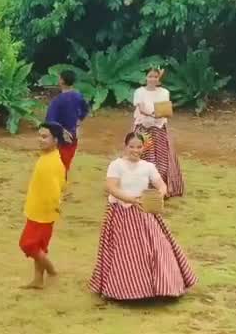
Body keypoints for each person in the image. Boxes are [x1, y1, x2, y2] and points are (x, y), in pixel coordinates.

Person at [89, 132, 196, 300]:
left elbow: (162, 186)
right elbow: (111, 187)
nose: (135, 150)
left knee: (157, 248)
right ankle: (125, 289)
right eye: (131, 146)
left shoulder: (148, 166)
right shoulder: (116, 165)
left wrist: (158, 195)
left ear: (143, 148)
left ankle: (160, 286)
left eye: (139, 147)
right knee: (124, 251)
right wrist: (131, 199)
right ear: (125, 146)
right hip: (121, 213)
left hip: (144, 212)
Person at [20, 123, 68, 289]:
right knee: (38, 246)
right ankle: (38, 280)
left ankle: (50, 269)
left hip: (42, 213)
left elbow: (56, 189)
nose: (40, 140)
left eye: (44, 136)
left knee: (28, 244)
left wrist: (54, 206)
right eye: (39, 135)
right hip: (37, 210)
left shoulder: (52, 162)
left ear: (55, 140)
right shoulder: (48, 157)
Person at [132, 68, 186, 197]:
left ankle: (161, 189)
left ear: (159, 78)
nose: (153, 79)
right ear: (146, 77)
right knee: (142, 156)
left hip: (159, 128)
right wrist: (153, 114)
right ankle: (140, 188)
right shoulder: (139, 92)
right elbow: (141, 109)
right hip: (143, 128)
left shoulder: (164, 92)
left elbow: (165, 110)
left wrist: (160, 115)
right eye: (150, 76)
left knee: (162, 159)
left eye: (155, 77)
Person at [45, 69, 90, 172]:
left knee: (57, 165)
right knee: (66, 164)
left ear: (61, 81)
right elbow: (85, 110)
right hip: (73, 135)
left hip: (60, 138)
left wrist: (62, 131)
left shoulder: (57, 101)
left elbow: (50, 120)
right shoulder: (78, 96)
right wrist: (78, 122)